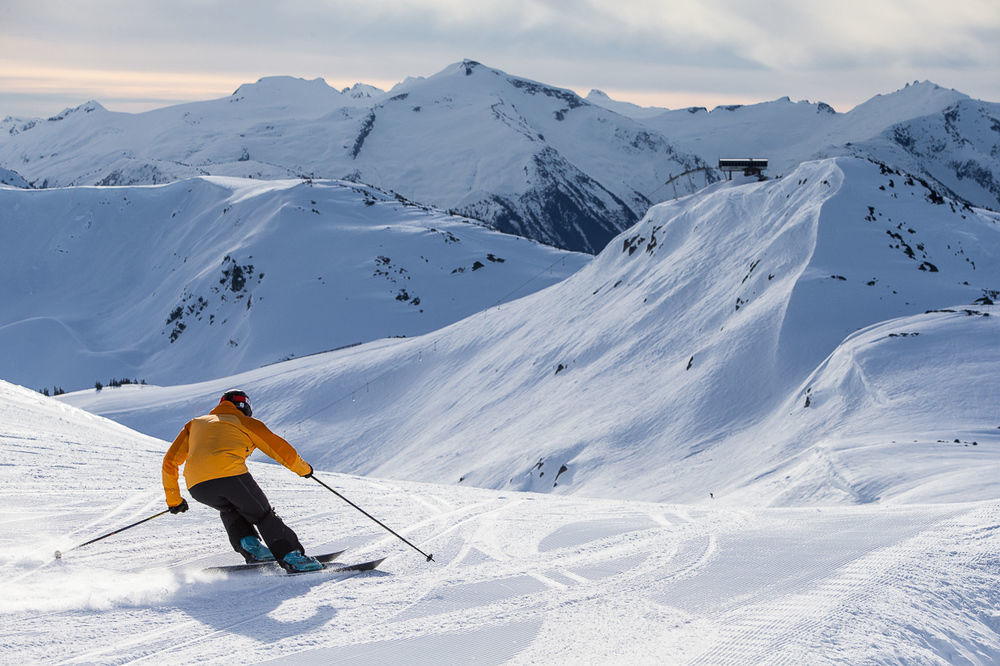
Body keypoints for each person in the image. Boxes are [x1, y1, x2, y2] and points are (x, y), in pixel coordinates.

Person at [162, 389, 322, 573]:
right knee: (262, 514)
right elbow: (279, 449)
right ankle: (292, 557)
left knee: (229, 508)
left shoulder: (195, 423)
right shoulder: (246, 422)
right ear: (246, 407)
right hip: (230, 475)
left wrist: (174, 500)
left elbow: (169, 461)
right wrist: (304, 469)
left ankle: (253, 549)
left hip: (197, 486)